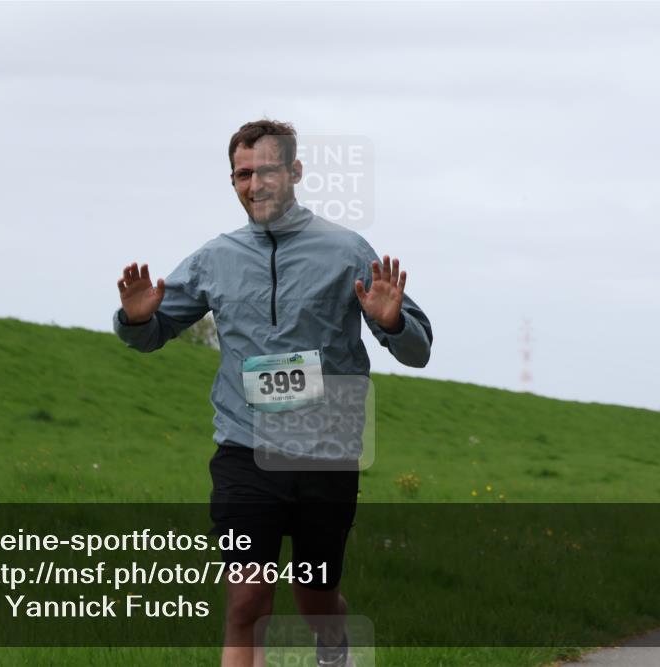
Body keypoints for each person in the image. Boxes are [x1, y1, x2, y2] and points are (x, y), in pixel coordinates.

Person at [113, 119, 433, 667]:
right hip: (244, 449)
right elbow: (152, 333)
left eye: (266, 171)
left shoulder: (347, 251)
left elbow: (416, 350)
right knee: (247, 599)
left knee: (315, 599)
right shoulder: (214, 258)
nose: (254, 184)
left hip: (326, 453)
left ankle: (333, 646)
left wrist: (395, 321)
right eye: (242, 174)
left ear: (295, 172)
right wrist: (136, 318)